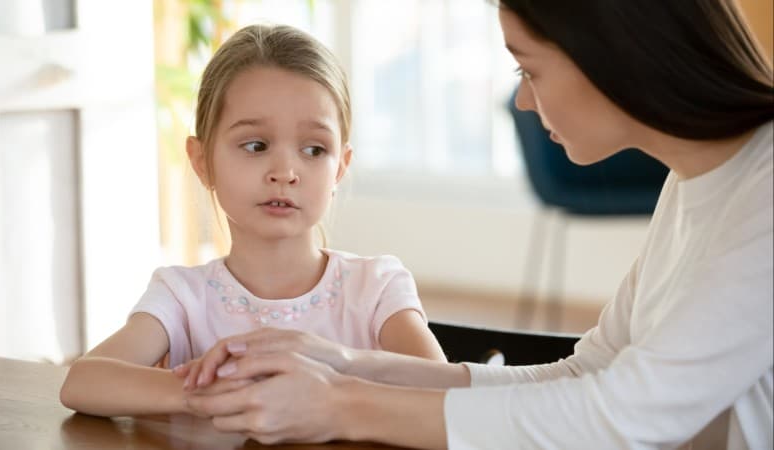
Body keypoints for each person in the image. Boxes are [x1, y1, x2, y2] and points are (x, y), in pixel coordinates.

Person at [176, 1, 774, 448]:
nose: (523, 102)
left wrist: (341, 405)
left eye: (528, 70)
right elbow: (589, 371)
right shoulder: (696, 181)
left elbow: (621, 415)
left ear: (610, 58)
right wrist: (346, 363)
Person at [59, 24, 446, 418]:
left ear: (340, 168)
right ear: (202, 161)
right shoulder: (182, 297)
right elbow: (82, 382)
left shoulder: (376, 288)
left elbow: (446, 394)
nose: (285, 171)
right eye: (256, 146)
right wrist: (205, 394)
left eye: (314, 149)